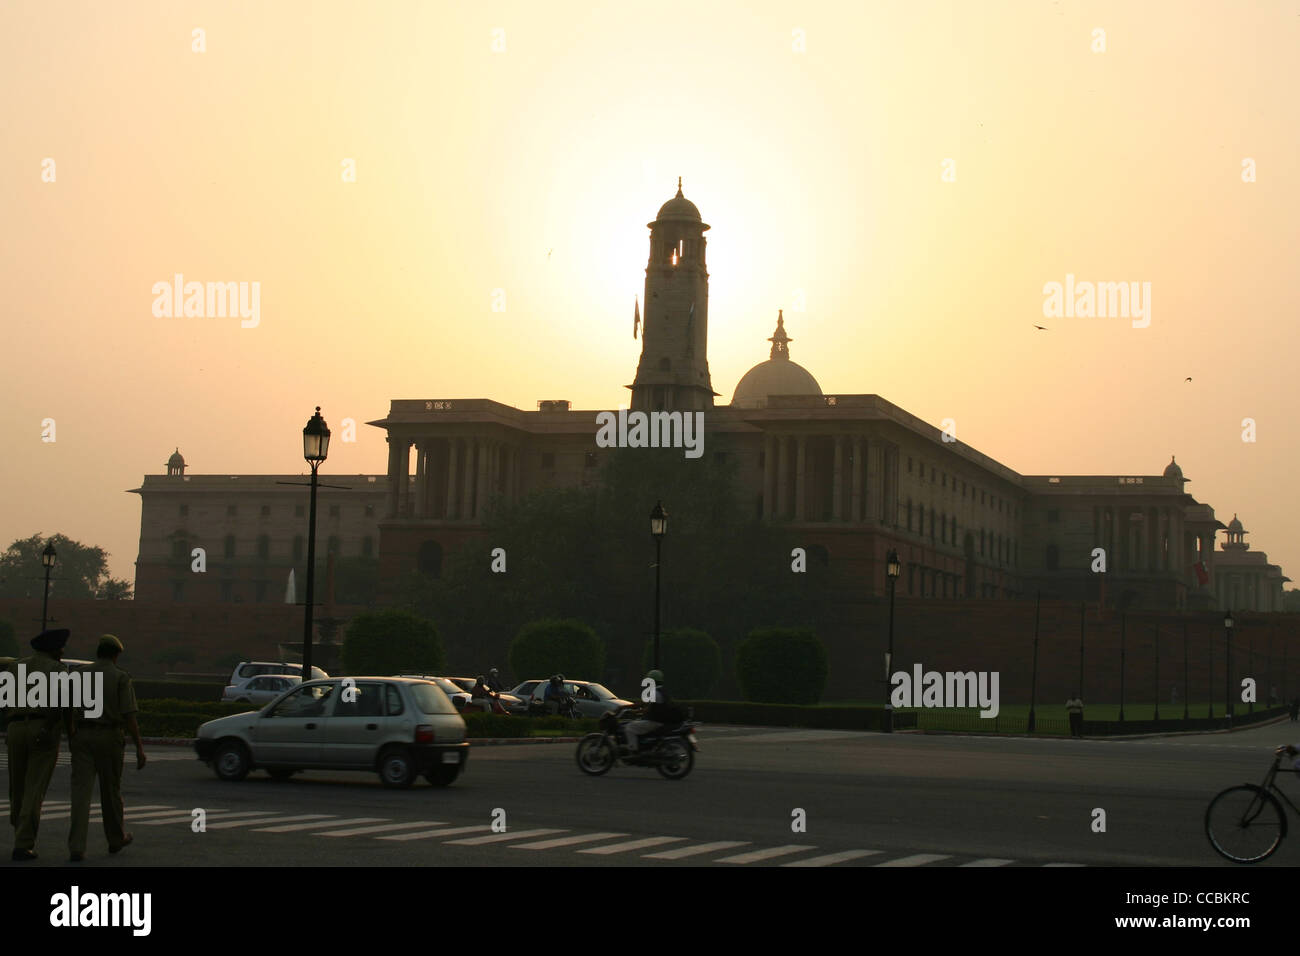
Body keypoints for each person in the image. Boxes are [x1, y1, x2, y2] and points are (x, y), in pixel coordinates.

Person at [68, 634, 146, 862]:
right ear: (116, 655)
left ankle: (76, 846)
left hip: (82, 735)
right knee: (110, 791)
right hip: (109, 736)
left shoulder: (78, 674)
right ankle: (115, 838)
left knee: (80, 793)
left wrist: (71, 730)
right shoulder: (120, 677)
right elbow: (129, 716)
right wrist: (139, 748)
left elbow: (66, 707)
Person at [6, 628, 76, 861]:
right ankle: (23, 843)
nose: (63, 651)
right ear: (54, 649)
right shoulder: (58, 670)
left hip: (15, 728)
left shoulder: (16, 666)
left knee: (17, 785)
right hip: (42, 728)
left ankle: (19, 830)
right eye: (61, 647)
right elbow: (63, 706)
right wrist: (62, 731)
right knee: (34, 788)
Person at [624, 669, 675, 755]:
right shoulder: (663, 691)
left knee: (630, 727)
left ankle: (633, 751)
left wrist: (634, 712)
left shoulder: (654, 692)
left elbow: (648, 708)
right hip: (663, 721)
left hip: (655, 722)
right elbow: (644, 704)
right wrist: (633, 708)